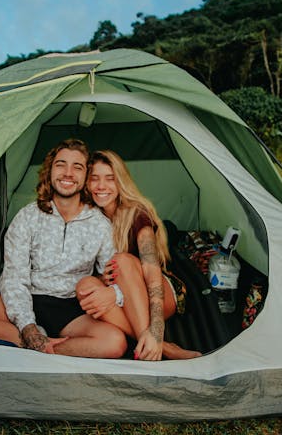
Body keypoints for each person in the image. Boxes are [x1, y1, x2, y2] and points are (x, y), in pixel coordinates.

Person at [0, 139, 127, 358]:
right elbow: (13, 278)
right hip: (29, 297)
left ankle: (45, 348)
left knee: (115, 342)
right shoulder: (27, 217)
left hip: (71, 309)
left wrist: (113, 293)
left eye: (77, 167)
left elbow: (117, 277)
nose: (68, 173)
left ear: (86, 176)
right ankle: (32, 339)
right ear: (50, 171)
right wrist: (28, 326)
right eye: (61, 164)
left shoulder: (99, 224)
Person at [76, 150, 202, 361]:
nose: (101, 186)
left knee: (122, 261)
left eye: (110, 179)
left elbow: (151, 272)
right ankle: (164, 348)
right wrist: (106, 285)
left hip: (159, 291)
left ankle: (154, 340)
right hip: (120, 295)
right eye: (94, 179)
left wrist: (157, 329)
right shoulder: (89, 217)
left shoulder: (136, 213)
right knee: (86, 286)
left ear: (121, 181)